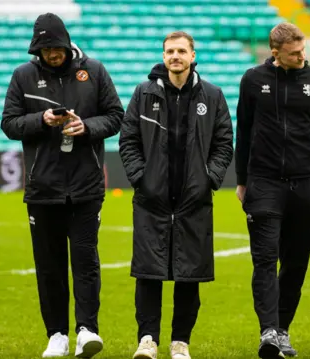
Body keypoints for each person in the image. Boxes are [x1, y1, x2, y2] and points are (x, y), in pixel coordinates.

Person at [1, 12, 123, 359]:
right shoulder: (23, 76)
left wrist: (87, 127)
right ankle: (56, 334)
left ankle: (87, 329)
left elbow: (116, 116)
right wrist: (41, 120)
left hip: (85, 187)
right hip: (42, 189)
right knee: (49, 266)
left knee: (86, 261)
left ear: (67, 44)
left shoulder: (94, 71)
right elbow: (9, 124)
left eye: (55, 48)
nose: (51, 55)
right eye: (44, 50)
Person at [118, 31, 234, 359]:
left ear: (193, 55)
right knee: (148, 273)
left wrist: (209, 178)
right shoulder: (143, 93)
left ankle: (180, 341)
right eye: (170, 51)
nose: (175, 56)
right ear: (163, 55)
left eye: (181, 51)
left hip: (193, 200)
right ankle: (148, 340)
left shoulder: (212, 95)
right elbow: (128, 139)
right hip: (151, 199)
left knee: (189, 274)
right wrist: (141, 178)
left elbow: (224, 142)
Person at [234, 22, 310, 358]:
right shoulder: (253, 80)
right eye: (294, 53)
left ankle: (282, 329)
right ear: (275, 52)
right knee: (265, 260)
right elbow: (244, 131)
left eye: (303, 50)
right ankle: (268, 332)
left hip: (305, 186)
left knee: (295, 264)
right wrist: (242, 180)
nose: (301, 57)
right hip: (263, 183)